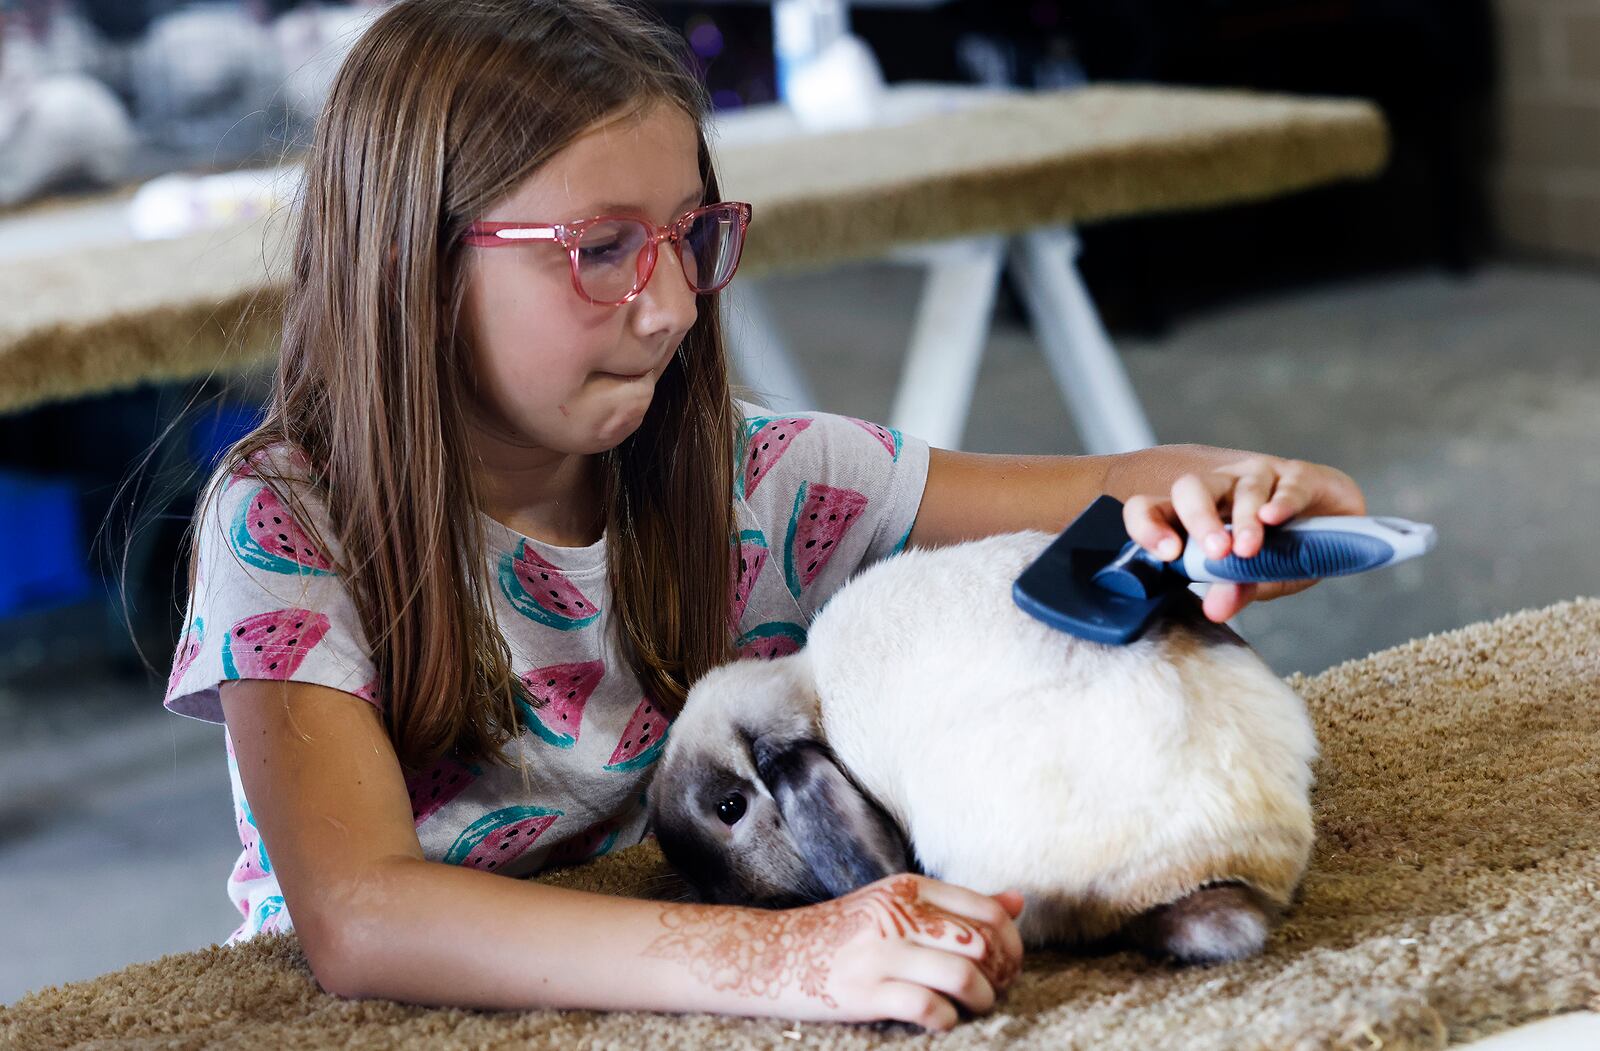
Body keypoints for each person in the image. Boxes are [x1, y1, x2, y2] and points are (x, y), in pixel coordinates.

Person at [161, 0, 1365, 1032]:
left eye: (689, 236)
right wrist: (787, 958)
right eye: (602, 249)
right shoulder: (282, 523)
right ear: (413, 270)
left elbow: (1131, 490)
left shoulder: (755, 472)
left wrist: (1261, 500)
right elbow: (359, 919)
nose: (672, 304)